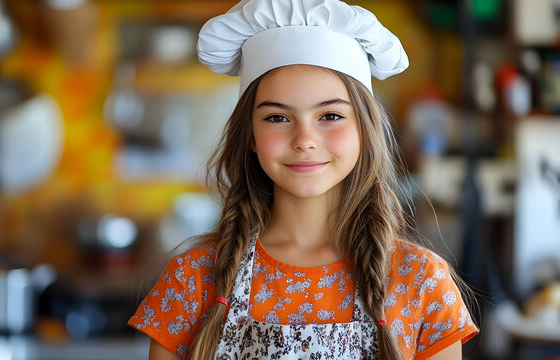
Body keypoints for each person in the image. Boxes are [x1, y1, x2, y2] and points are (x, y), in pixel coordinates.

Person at [128, 0, 479, 359]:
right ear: (249, 134)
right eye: (277, 118)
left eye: (330, 115)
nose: (304, 139)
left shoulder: (422, 282)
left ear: (364, 130)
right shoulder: (193, 279)